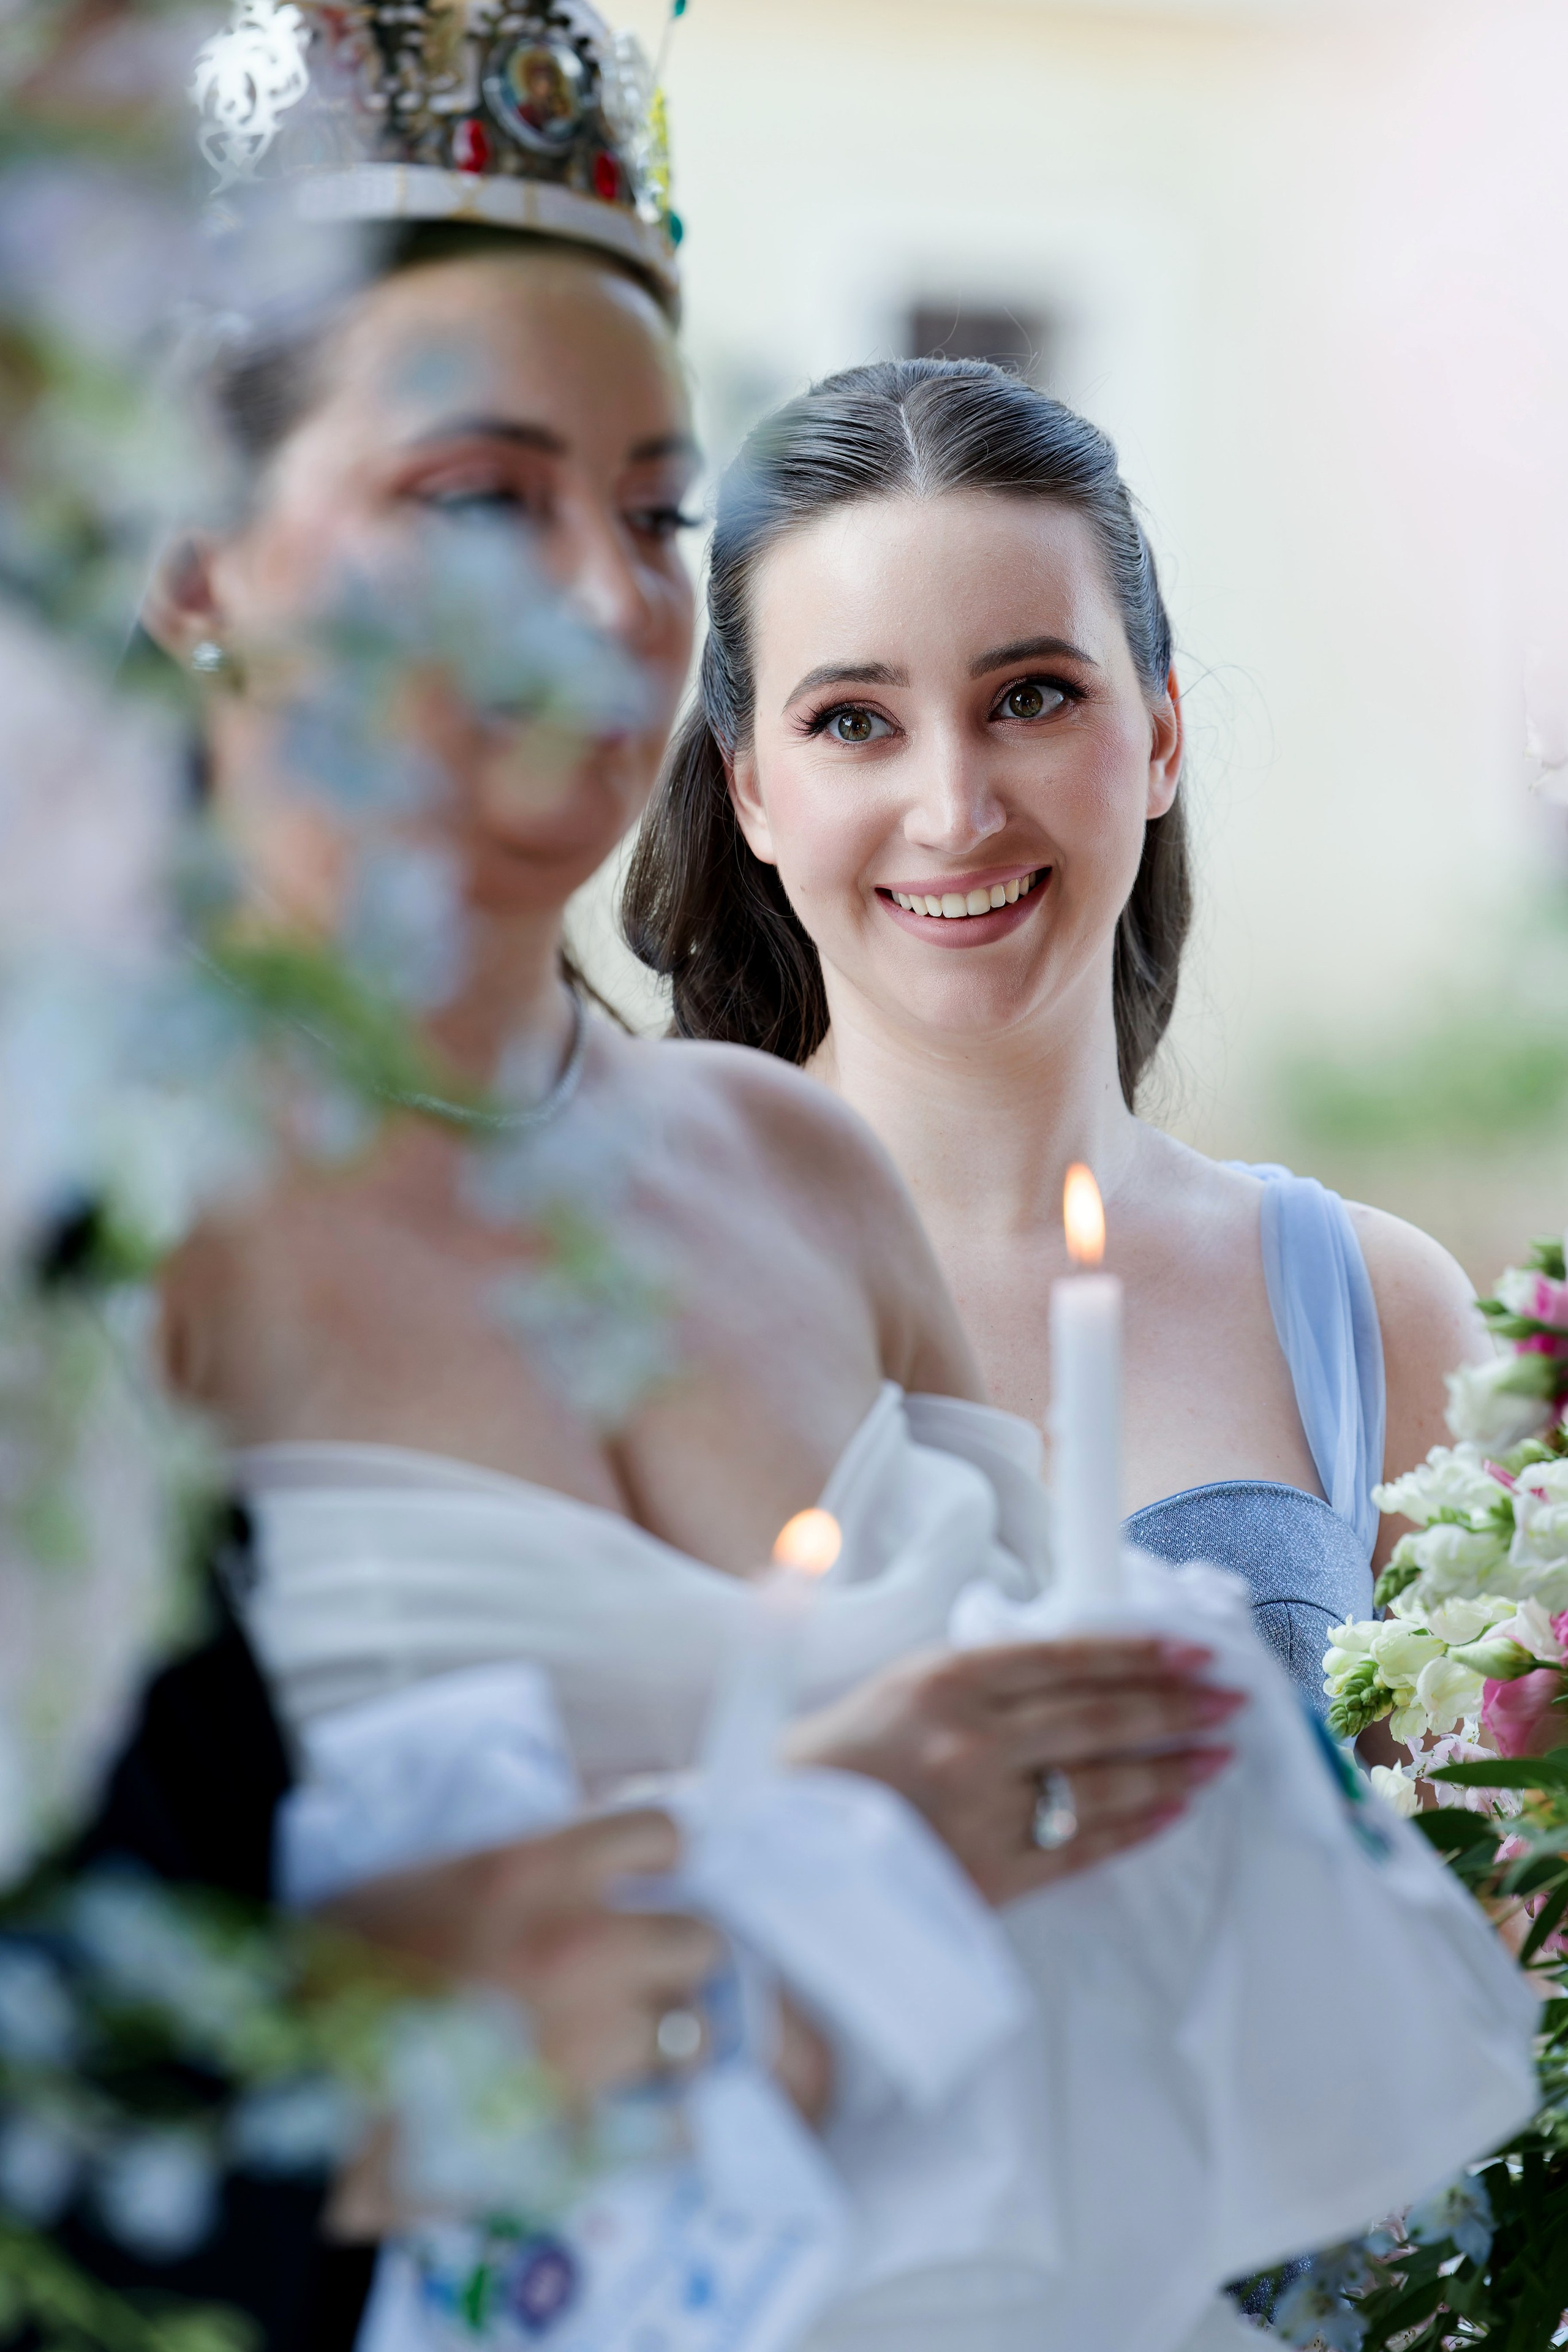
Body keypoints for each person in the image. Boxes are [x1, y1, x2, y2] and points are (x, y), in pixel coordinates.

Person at [137, 13, 1237, 2343]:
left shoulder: (795, 1164)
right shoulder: (95, 1234)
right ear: (194, 559)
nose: (622, 605)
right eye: (478, 499)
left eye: (652, 511)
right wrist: (757, 1865)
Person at [624, 356, 1489, 1706]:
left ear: (1156, 734)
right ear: (749, 794)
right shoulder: (615, 1288)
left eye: (1028, 697)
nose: (953, 810)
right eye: (854, 722)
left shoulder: (1379, 1318)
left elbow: (1491, 1901)